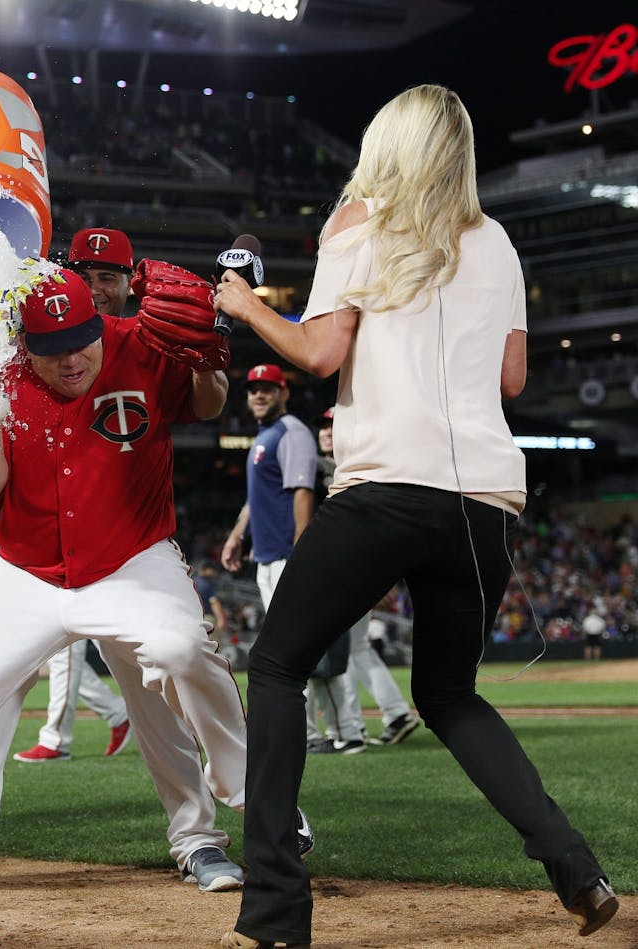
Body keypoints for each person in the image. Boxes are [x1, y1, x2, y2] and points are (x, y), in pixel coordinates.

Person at [212, 86, 618, 947]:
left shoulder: (359, 218)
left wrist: (247, 308)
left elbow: (321, 352)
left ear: (385, 144)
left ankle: (276, 910)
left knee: (278, 666)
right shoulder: (498, 240)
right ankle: (577, 869)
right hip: (484, 508)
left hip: (390, 488)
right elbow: (510, 381)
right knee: (450, 693)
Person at [0, 265, 261, 900]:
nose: (72, 360)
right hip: (27, 573)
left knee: (182, 653)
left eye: (81, 341)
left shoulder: (140, 344)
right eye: (52, 351)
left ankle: (218, 825)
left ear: (98, 321)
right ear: (24, 343)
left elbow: (207, 406)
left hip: (132, 559)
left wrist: (210, 358)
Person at [12, 228, 136, 763]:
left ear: (131, 283)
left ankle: (95, 726)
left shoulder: (139, 340)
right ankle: (78, 727)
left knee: (154, 654)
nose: (95, 286)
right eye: (85, 275)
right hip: (38, 513)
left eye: (107, 276)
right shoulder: (41, 335)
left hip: (121, 524)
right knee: (43, 646)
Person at [222, 365, 366, 755]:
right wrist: (238, 534)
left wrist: (303, 552)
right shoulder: (267, 436)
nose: (259, 395)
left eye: (268, 388)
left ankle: (349, 731)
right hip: (269, 558)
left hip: (289, 556)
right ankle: (313, 734)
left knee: (311, 647)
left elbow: (302, 491)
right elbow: (260, 498)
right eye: (253, 390)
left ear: (284, 393)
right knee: (289, 653)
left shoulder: (292, 432)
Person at [316, 407, 421, 746]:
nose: (328, 432)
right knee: (358, 648)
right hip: (355, 569)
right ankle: (396, 713)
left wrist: (382, 573)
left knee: (344, 649)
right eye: (324, 426)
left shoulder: (351, 470)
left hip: (349, 570)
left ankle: (354, 727)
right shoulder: (359, 468)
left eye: (335, 425)